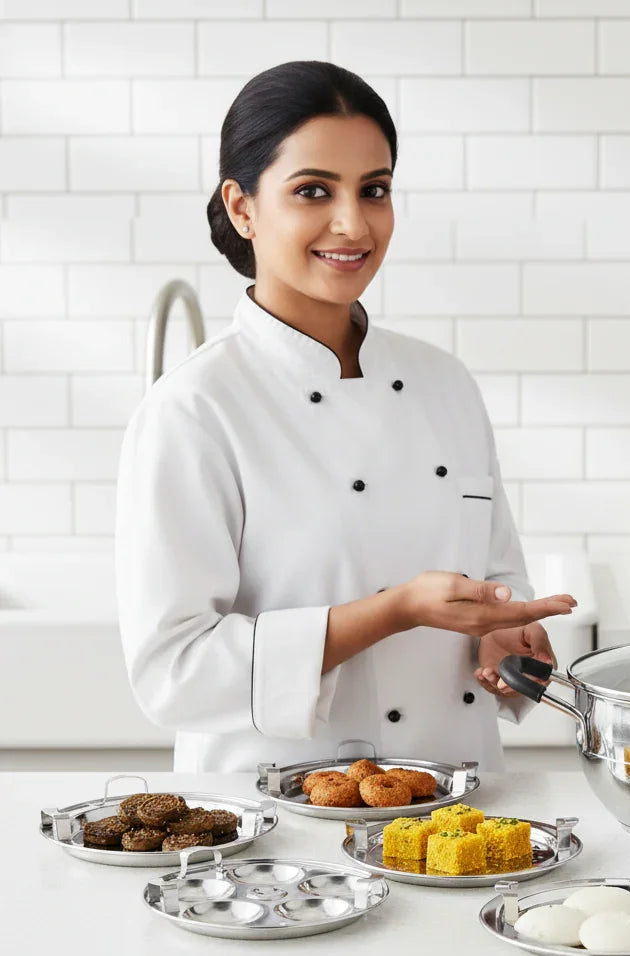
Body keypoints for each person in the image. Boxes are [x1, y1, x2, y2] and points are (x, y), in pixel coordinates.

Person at [115, 61, 576, 774]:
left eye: (375, 190)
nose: (353, 224)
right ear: (242, 207)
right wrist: (393, 611)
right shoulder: (196, 407)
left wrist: (502, 638)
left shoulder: (444, 383)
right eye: (312, 191)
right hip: (278, 812)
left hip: (462, 807)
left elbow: (496, 581)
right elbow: (173, 671)